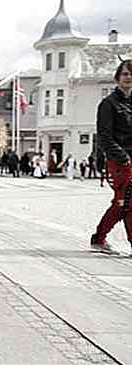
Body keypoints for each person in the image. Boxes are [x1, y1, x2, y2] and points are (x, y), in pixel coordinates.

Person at [90, 59, 132, 254]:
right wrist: (122, 156)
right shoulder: (108, 104)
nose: (128, 77)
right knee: (127, 202)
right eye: (125, 74)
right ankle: (100, 238)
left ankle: (99, 238)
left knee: (122, 202)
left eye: (131, 74)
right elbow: (104, 136)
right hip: (120, 160)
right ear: (117, 77)